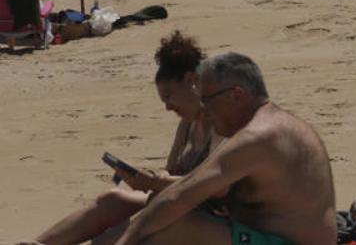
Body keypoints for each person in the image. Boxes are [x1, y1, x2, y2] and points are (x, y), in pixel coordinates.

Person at [111, 52, 337, 244]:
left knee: (177, 225)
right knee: (161, 215)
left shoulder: (257, 137)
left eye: (206, 100)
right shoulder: (273, 124)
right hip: (266, 235)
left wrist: (126, 240)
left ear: (236, 95)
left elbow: (181, 195)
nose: (204, 111)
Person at [31, 32, 220, 245]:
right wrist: (144, 178)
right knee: (111, 200)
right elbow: (170, 173)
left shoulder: (223, 126)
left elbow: (215, 185)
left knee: (142, 223)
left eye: (168, 96)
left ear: (190, 81)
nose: (167, 107)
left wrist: (153, 181)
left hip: (208, 219)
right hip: (179, 204)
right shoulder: (187, 124)